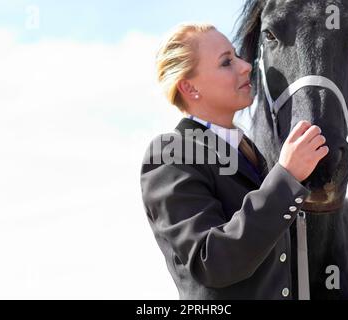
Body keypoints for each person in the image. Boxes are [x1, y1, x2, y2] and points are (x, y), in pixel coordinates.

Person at [140, 22, 329, 299]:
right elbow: (212, 262)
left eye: (237, 56)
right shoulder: (169, 154)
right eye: (226, 62)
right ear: (189, 87)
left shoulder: (250, 151)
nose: (245, 66)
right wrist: (286, 177)